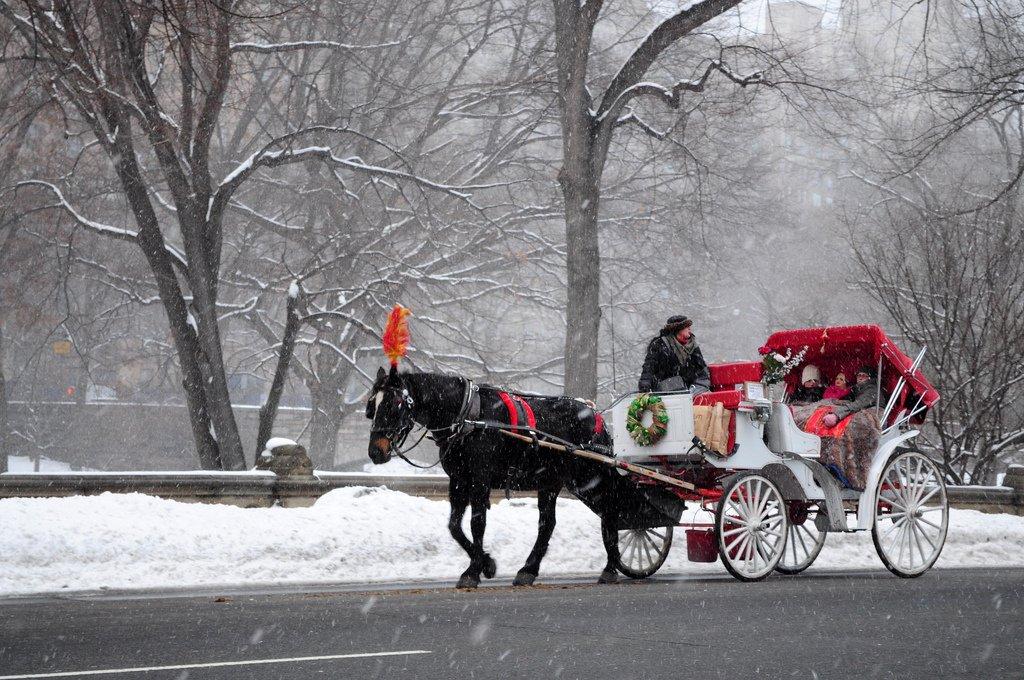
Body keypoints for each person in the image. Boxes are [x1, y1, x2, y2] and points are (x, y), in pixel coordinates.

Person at [638, 315, 710, 394]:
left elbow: (702, 370)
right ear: (678, 329)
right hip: (666, 391)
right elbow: (648, 368)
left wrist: (697, 387)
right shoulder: (659, 345)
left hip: (690, 391)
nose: (689, 329)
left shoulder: (693, 345)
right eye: (686, 326)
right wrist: (645, 385)